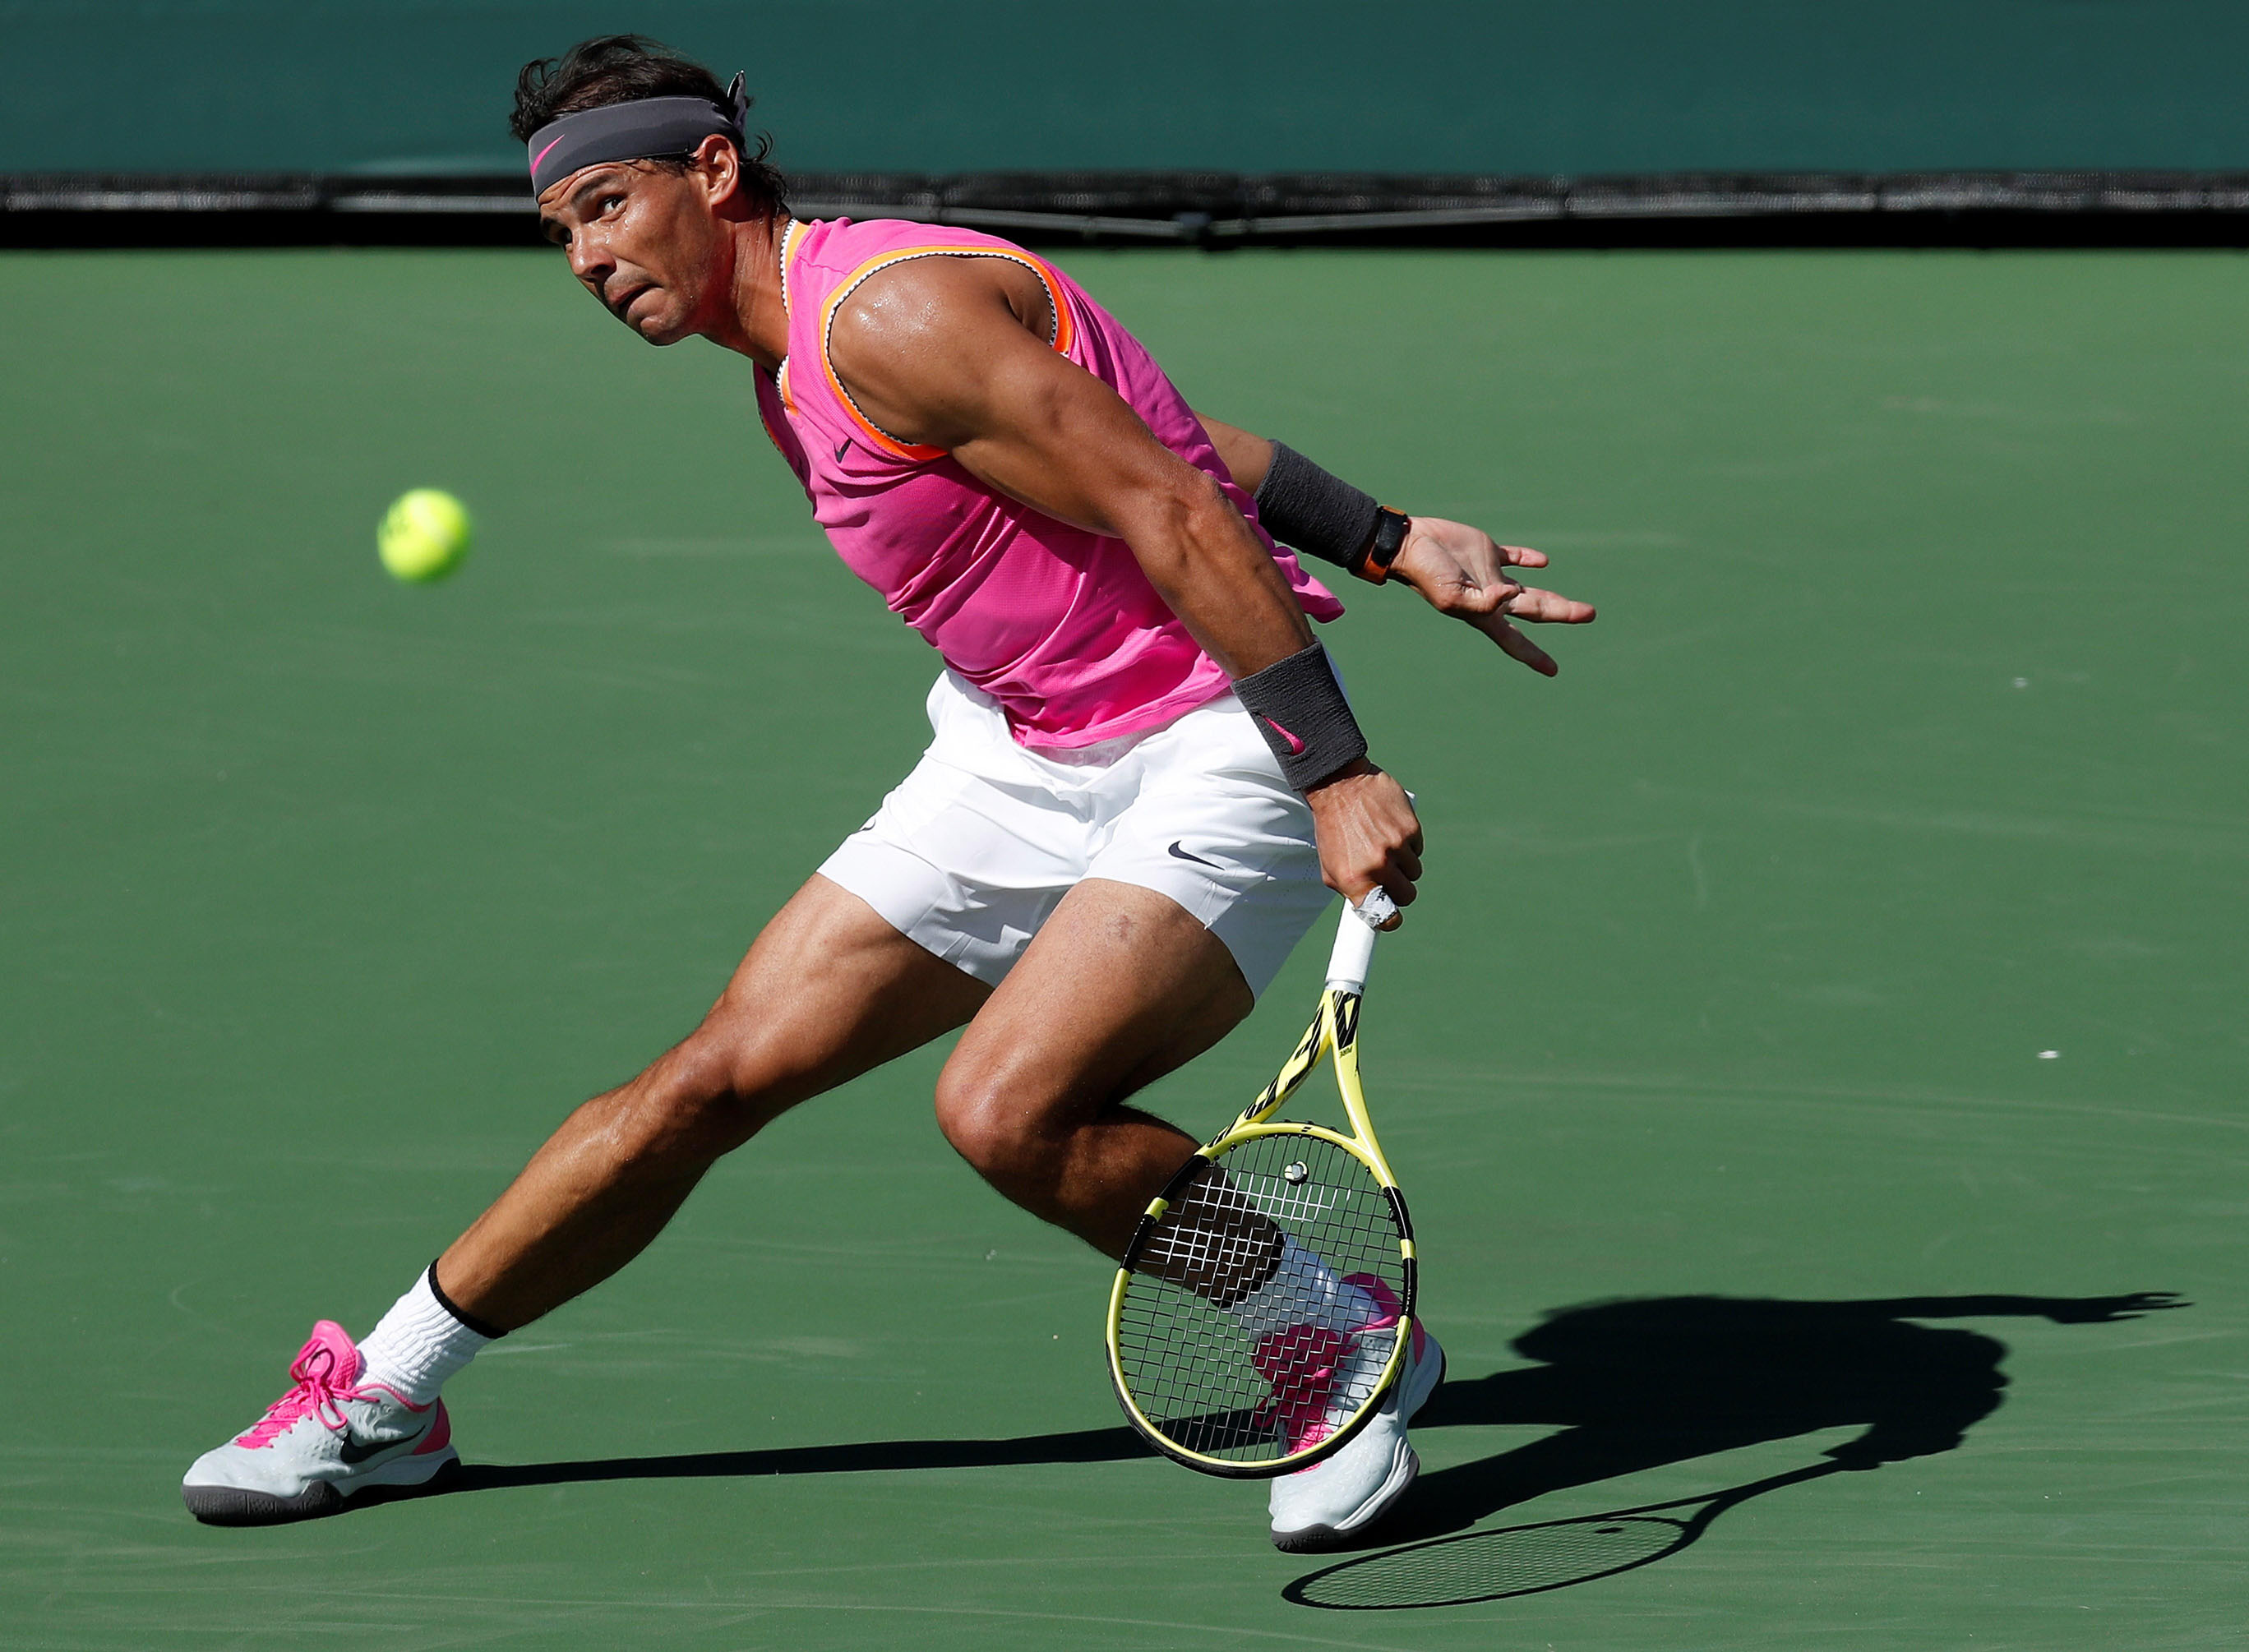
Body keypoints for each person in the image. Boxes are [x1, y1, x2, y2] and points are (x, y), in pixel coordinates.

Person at [181, 35, 1594, 1551]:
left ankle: (1328, 1331)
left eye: (606, 205)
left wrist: (1337, 766)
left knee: (1007, 1109)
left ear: (710, 172)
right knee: (710, 1077)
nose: (588, 258)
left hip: (1213, 738)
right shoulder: (786, 371)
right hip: (1016, 745)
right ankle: (385, 1396)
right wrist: (1382, 531)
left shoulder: (889, 315)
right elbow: (1175, 434)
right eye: (562, 233)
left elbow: (1165, 497)